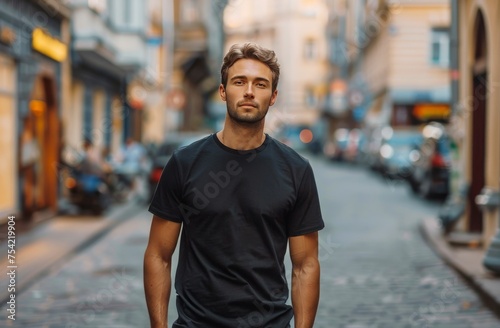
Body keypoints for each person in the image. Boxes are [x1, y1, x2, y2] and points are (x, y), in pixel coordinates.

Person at [144, 42, 324, 328]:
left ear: (273, 96)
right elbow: (158, 255)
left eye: (260, 84)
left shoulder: (295, 170)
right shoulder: (184, 163)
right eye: (239, 82)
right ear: (223, 91)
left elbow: (305, 265)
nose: (249, 91)